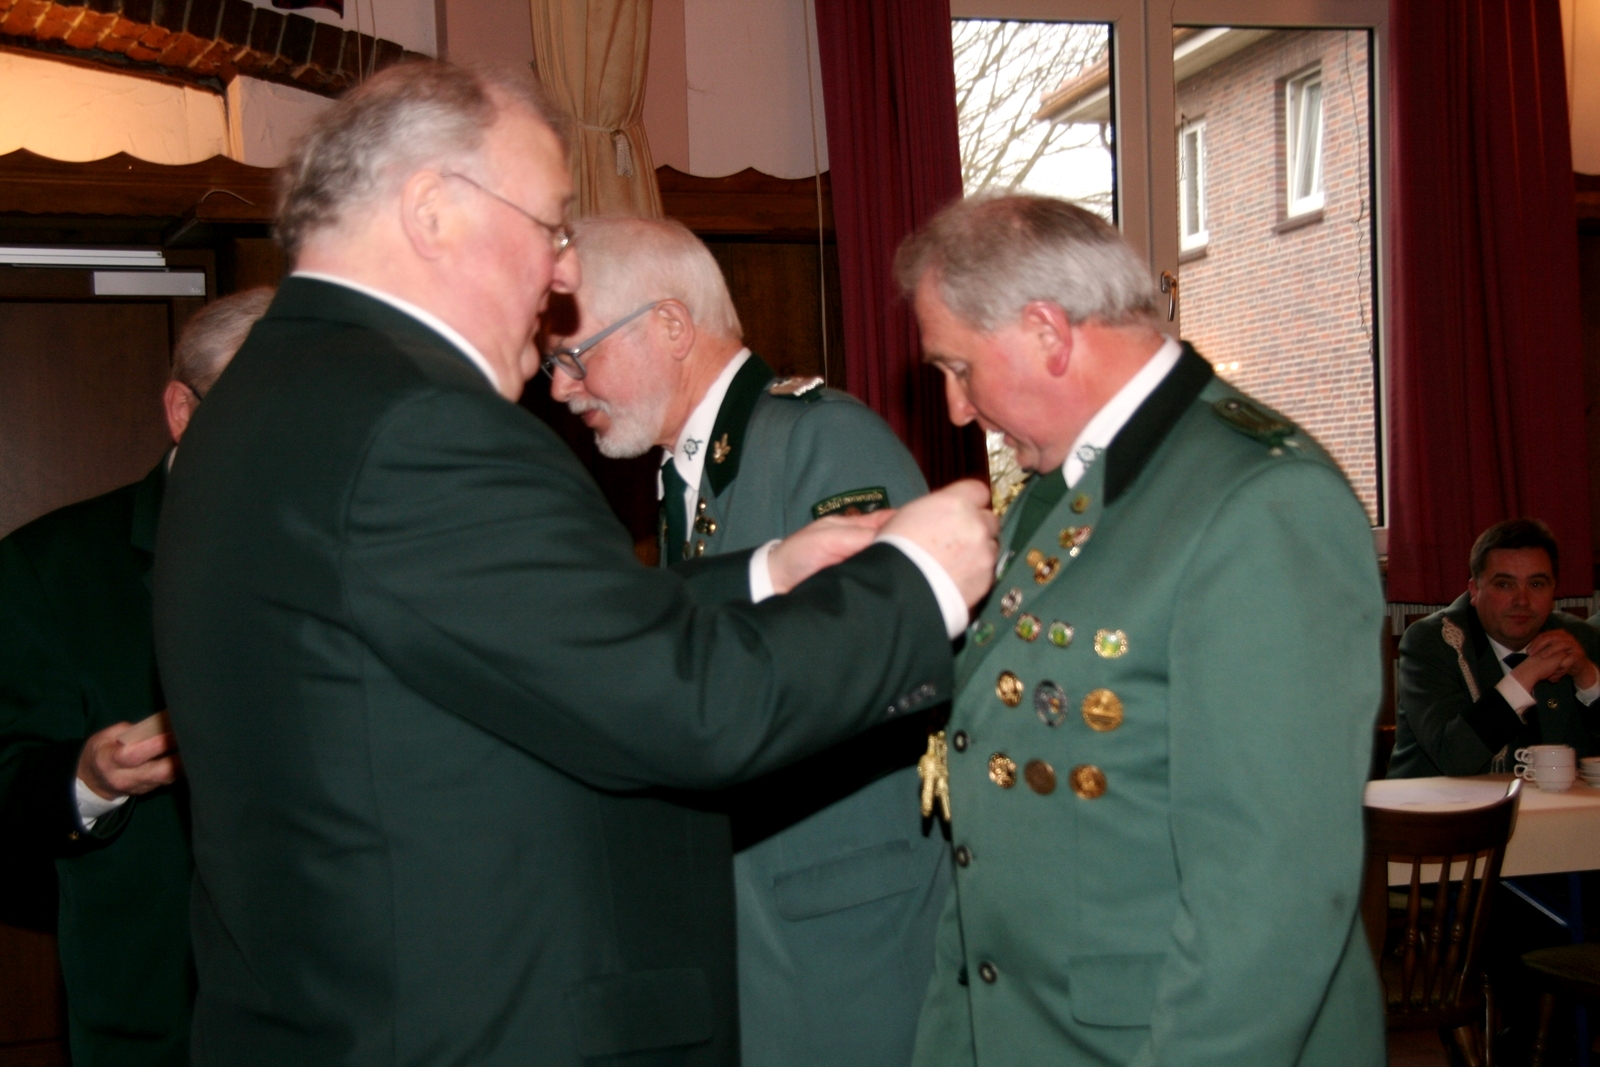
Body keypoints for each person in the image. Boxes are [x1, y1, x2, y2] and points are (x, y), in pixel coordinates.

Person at [153, 61, 997, 1067]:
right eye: (552, 226)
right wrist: (918, 580)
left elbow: (507, 631)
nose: (561, 273)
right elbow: (688, 703)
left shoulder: (272, 395)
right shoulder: (418, 422)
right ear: (433, 211)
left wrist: (763, 572)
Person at [894, 194, 1384, 1066]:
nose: (957, 407)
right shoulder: (1061, 493)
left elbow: (1268, 900)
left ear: (1048, 332)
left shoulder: (1262, 501)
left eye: (960, 368)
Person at [548, 216, 950, 1067]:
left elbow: (886, 671)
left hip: (840, 934)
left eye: (576, 356)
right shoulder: (684, 472)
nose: (562, 388)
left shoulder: (821, 437)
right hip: (754, 928)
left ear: (671, 325)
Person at [0, 288, 271, 1067]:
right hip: (168, 1022)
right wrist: (89, 780)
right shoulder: (50, 569)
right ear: (183, 410)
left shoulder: (382, 546)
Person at [1389, 518, 1600, 778]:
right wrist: (1527, 673)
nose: (1522, 600)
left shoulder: (1578, 639)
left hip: (1553, 803)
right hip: (1434, 802)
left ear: (1553, 590)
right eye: (1504, 584)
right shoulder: (1432, 643)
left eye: (1536, 584)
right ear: (1474, 590)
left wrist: (1589, 679)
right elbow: (1453, 758)